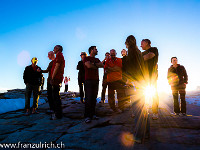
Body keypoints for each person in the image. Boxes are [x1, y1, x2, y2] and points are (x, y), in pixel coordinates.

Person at [125, 35, 149, 143]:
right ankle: (146, 133)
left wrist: (129, 80)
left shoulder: (131, 50)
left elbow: (132, 67)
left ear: (127, 42)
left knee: (137, 110)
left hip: (135, 82)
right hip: (143, 82)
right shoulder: (138, 51)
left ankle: (138, 136)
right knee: (143, 109)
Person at [83, 46, 104, 123]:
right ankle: (87, 116)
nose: (97, 50)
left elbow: (102, 65)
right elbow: (88, 66)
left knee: (94, 98)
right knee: (88, 98)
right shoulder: (86, 58)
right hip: (88, 80)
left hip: (96, 80)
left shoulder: (97, 59)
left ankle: (93, 114)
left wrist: (93, 64)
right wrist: (95, 65)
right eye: (95, 49)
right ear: (91, 50)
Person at [141, 39, 159, 120]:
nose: (141, 44)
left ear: (147, 43)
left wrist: (140, 59)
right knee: (141, 94)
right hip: (142, 76)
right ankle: (143, 111)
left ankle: (155, 112)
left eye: (142, 43)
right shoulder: (141, 53)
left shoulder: (154, 49)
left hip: (152, 75)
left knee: (154, 93)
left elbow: (150, 55)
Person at [51, 45, 65, 120]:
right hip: (57, 78)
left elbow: (57, 66)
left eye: (55, 48)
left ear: (58, 49)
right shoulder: (58, 56)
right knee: (56, 96)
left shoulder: (59, 55)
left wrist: (52, 77)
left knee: (56, 96)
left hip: (56, 78)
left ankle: (58, 114)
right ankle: (58, 113)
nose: (53, 49)